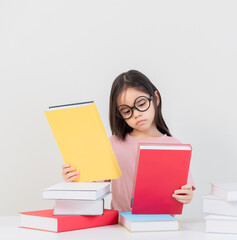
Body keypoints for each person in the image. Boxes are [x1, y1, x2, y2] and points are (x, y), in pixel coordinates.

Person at [61, 70, 195, 212]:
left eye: (141, 104)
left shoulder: (174, 146)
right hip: (120, 226)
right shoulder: (112, 145)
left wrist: (187, 196)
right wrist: (74, 177)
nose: (136, 114)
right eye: (126, 111)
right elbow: (93, 188)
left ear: (155, 98)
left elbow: (184, 190)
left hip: (161, 224)